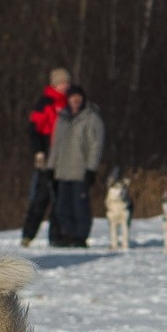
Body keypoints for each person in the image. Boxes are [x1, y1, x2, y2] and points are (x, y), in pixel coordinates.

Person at [44, 86, 106, 248]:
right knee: (62, 206)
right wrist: (50, 167)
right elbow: (55, 145)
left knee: (80, 206)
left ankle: (80, 236)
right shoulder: (62, 118)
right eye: (73, 97)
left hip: (80, 171)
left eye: (79, 97)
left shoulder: (91, 118)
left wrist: (91, 169)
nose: (76, 100)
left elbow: (96, 145)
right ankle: (66, 234)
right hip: (62, 171)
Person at [19, 66, 72, 246]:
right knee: (40, 197)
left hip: (64, 157)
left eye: (67, 82)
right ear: (55, 84)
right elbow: (34, 130)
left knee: (61, 199)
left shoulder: (70, 103)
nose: (66, 85)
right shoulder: (44, 103)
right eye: (62, 82)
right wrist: (38, 151)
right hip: (47, 154)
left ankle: (56, 237)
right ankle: (28, 235)